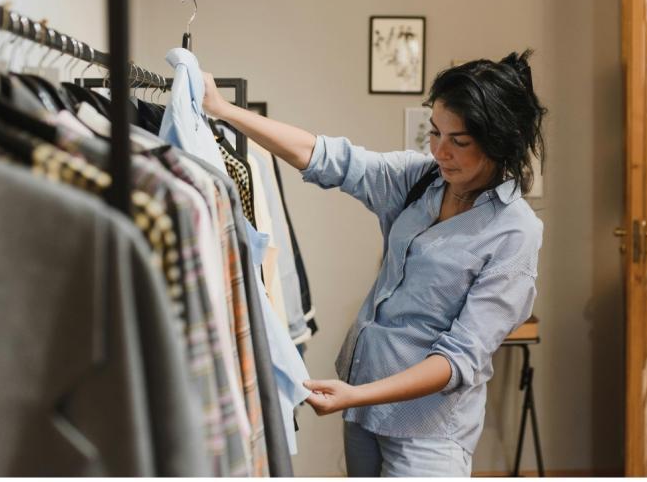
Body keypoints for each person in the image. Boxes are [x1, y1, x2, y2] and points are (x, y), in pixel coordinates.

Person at [201, 50, 546, 477]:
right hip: (363, 412)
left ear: (499, 142)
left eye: (459, 142)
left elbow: (459, 360)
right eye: (435, 132)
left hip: (426, 432)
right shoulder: (421, 180)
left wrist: (356, 396)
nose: (440, 151)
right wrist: (222, 110)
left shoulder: (514, 232)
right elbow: (328, 157)